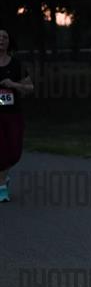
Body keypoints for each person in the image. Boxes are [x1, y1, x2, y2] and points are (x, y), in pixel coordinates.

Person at [0, 29, 34, 202]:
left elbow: (30, 88)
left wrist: (14, 84)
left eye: (4, 37)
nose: (1, 39)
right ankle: (1, 188)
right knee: (1, 151)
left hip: (13, 114)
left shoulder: (16, 65)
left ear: (8, 42)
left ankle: (3, 178)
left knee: (14, 152)